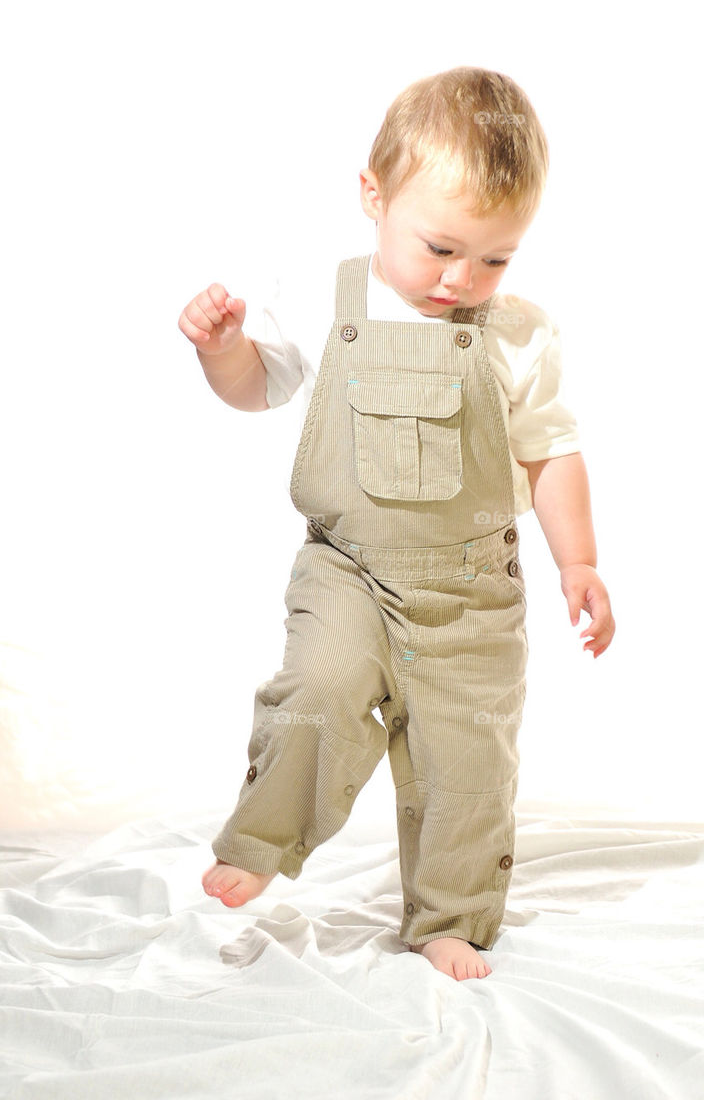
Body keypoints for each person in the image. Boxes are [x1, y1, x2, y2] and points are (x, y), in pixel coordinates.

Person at [177, 66, 615, 982]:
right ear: (373, 197)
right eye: (442, 249)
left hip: (471, 592)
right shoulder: (328, 299)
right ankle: (262, 839)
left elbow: (549, 450)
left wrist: (580, 561)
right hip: (350, 570)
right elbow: (260, 389)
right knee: (319, 688)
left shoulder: (519, 333)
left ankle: (450, 916)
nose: (464, 280)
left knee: (468, 763)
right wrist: (224, 352)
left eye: (496, 259)